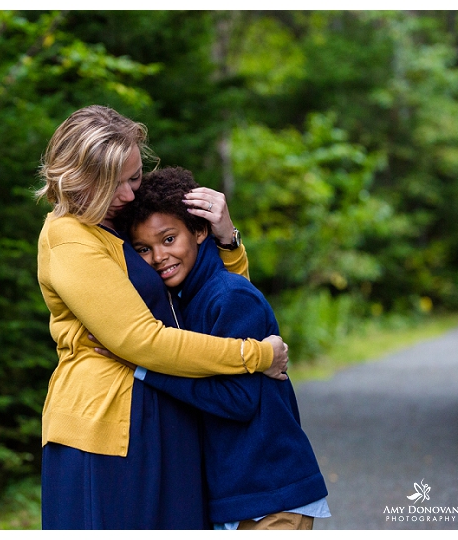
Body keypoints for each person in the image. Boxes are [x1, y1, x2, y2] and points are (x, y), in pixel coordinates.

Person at [34, 105, 289, 530]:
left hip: (168, 409)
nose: (130, 194)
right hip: (107, 430)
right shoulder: (69, 238)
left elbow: (212, 302)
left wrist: (227, 241)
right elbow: (142, 340)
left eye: (134, 177)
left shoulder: (120, 220)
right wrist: (255, 355)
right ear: (78, 179)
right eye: (114, 184)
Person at [111, 166, 331, 530]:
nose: (158, 256)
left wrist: (145, 369)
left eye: (169, 239)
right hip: (234, 497)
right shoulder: (182, 303)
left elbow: (238, 399)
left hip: (271, 494)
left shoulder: (229, 296)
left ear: (199, 231)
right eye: (143, 249)